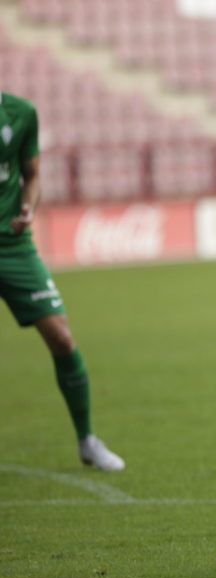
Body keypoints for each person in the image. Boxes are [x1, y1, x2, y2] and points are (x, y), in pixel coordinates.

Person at [0, 91, 124, 472]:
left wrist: (28, 206)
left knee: (62, 338)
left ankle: (87, 440)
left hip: (13, 246)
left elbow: (32, 176)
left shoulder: (20, 113)